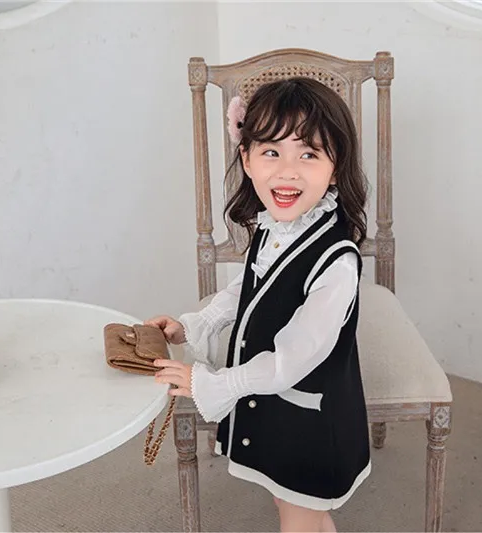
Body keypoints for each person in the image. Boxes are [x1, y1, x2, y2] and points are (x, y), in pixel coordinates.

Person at [146, 77, 370, 533]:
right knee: (293, 504)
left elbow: (291, 360)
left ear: (335, 167)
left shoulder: (337, 263)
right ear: (246, 159)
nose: (288, 171)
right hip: (275, 412)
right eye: (271, 152)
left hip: (309, 424)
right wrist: (194, 325)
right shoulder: (274, 229)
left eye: (308, 154)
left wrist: (209, 382)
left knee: (299, 516)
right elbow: (245, 288)